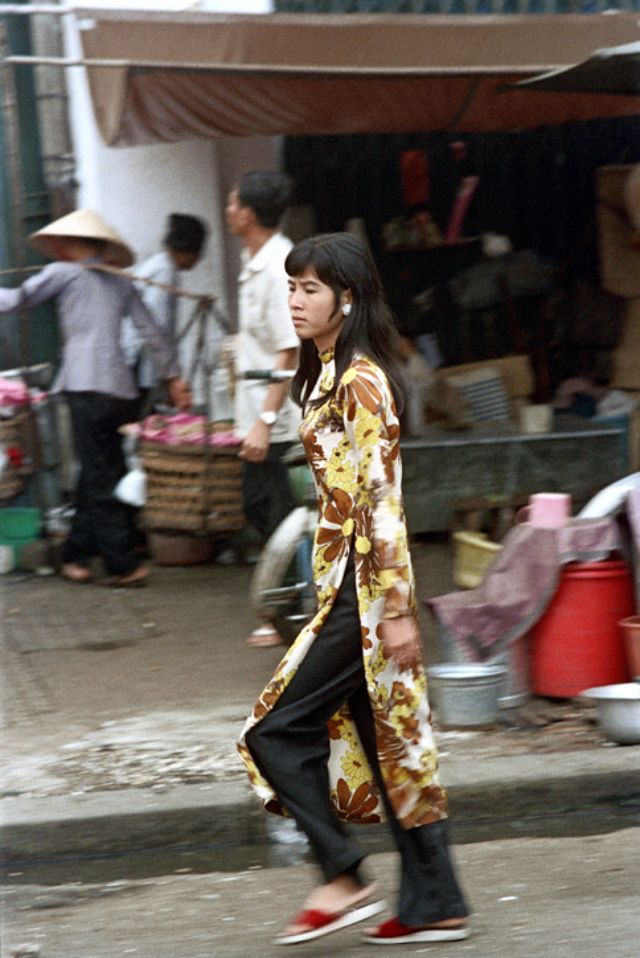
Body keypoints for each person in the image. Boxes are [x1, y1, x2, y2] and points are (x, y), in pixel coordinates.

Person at [238, 232, 469, 946]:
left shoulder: (361, 379)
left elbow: (381, 498)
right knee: (387, 738)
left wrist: (395, 610)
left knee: (273, 731)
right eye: (291, 287)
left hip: (365, 596)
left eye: (309, 288)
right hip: (344, 584)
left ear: (348, 297)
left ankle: (341, 872)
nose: (295, 300)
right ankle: (436, 902)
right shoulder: (328, 373)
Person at [0, 208, 191, 586]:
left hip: (85, 388)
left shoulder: (62, 272)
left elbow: (17, 300)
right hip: (119, 391)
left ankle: (121, 564)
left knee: (100, 474)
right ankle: (75, 555)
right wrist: (175, 378)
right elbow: (152, 331)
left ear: (70, 244)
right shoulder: (120, 280)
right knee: (99, 469)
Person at [225, 171, 300, 647]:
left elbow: (288, 351)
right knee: (260, 505)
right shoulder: (253, 261)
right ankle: (290, 606)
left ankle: (288, 613)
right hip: (255, 410)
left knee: (278, 513)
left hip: (278, 417)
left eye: (234, 204)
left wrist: (266, 421)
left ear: (248, 215)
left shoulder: (278, 269)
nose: (229, 210)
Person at [121, 213, 207, 409]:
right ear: (190, 251)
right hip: (138, 361)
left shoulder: (161, 265)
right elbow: (157, 328)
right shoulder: (165, 272)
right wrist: (171, 379)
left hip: (142, 359)